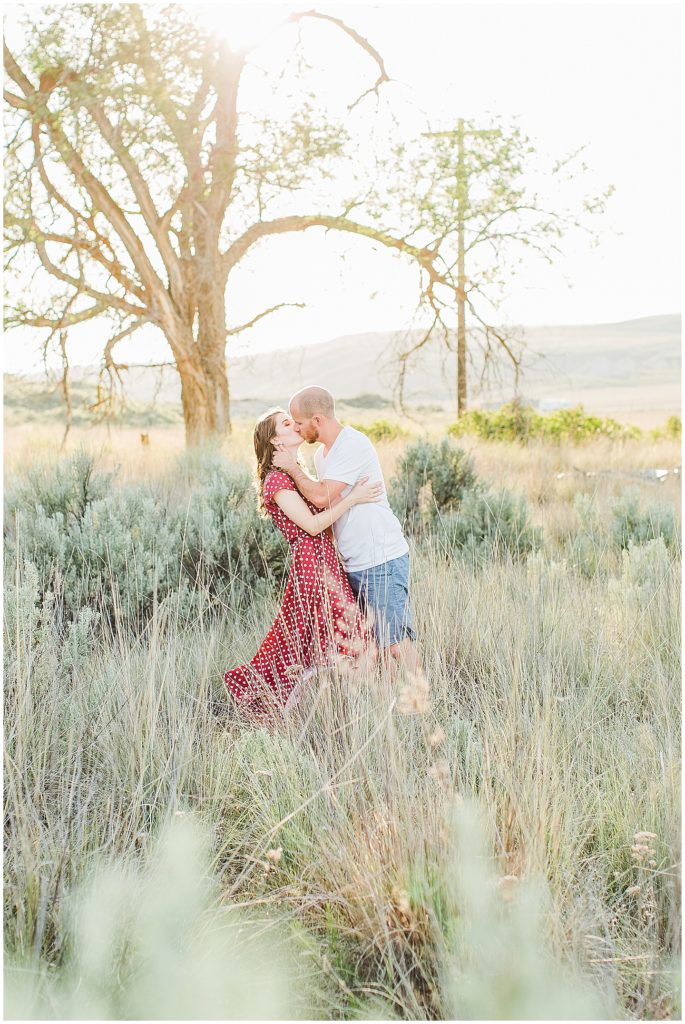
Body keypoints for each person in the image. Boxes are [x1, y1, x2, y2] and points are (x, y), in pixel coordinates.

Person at [223, 407, 381, 716]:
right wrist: (354, 497)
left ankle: (334, 711)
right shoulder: (276, 482)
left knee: (327, 641)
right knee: (336, 639)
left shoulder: (294, 473)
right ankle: (279, 709)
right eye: (286, 423)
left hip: (326, 562)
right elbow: (311, 525)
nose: (295, 425)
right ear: (274, 440)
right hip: (312, 566)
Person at [272, 385, 420, 672]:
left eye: (300, 423)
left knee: (396, 644)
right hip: (354, 563)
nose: (298, 430)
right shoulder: (321, 456)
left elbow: (319, 496)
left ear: (317, 420)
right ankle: (391, 708)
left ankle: (424, 702)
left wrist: (291, 467)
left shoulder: (352, 444)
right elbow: (330, 506)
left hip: (381, 558)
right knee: (373, 646)